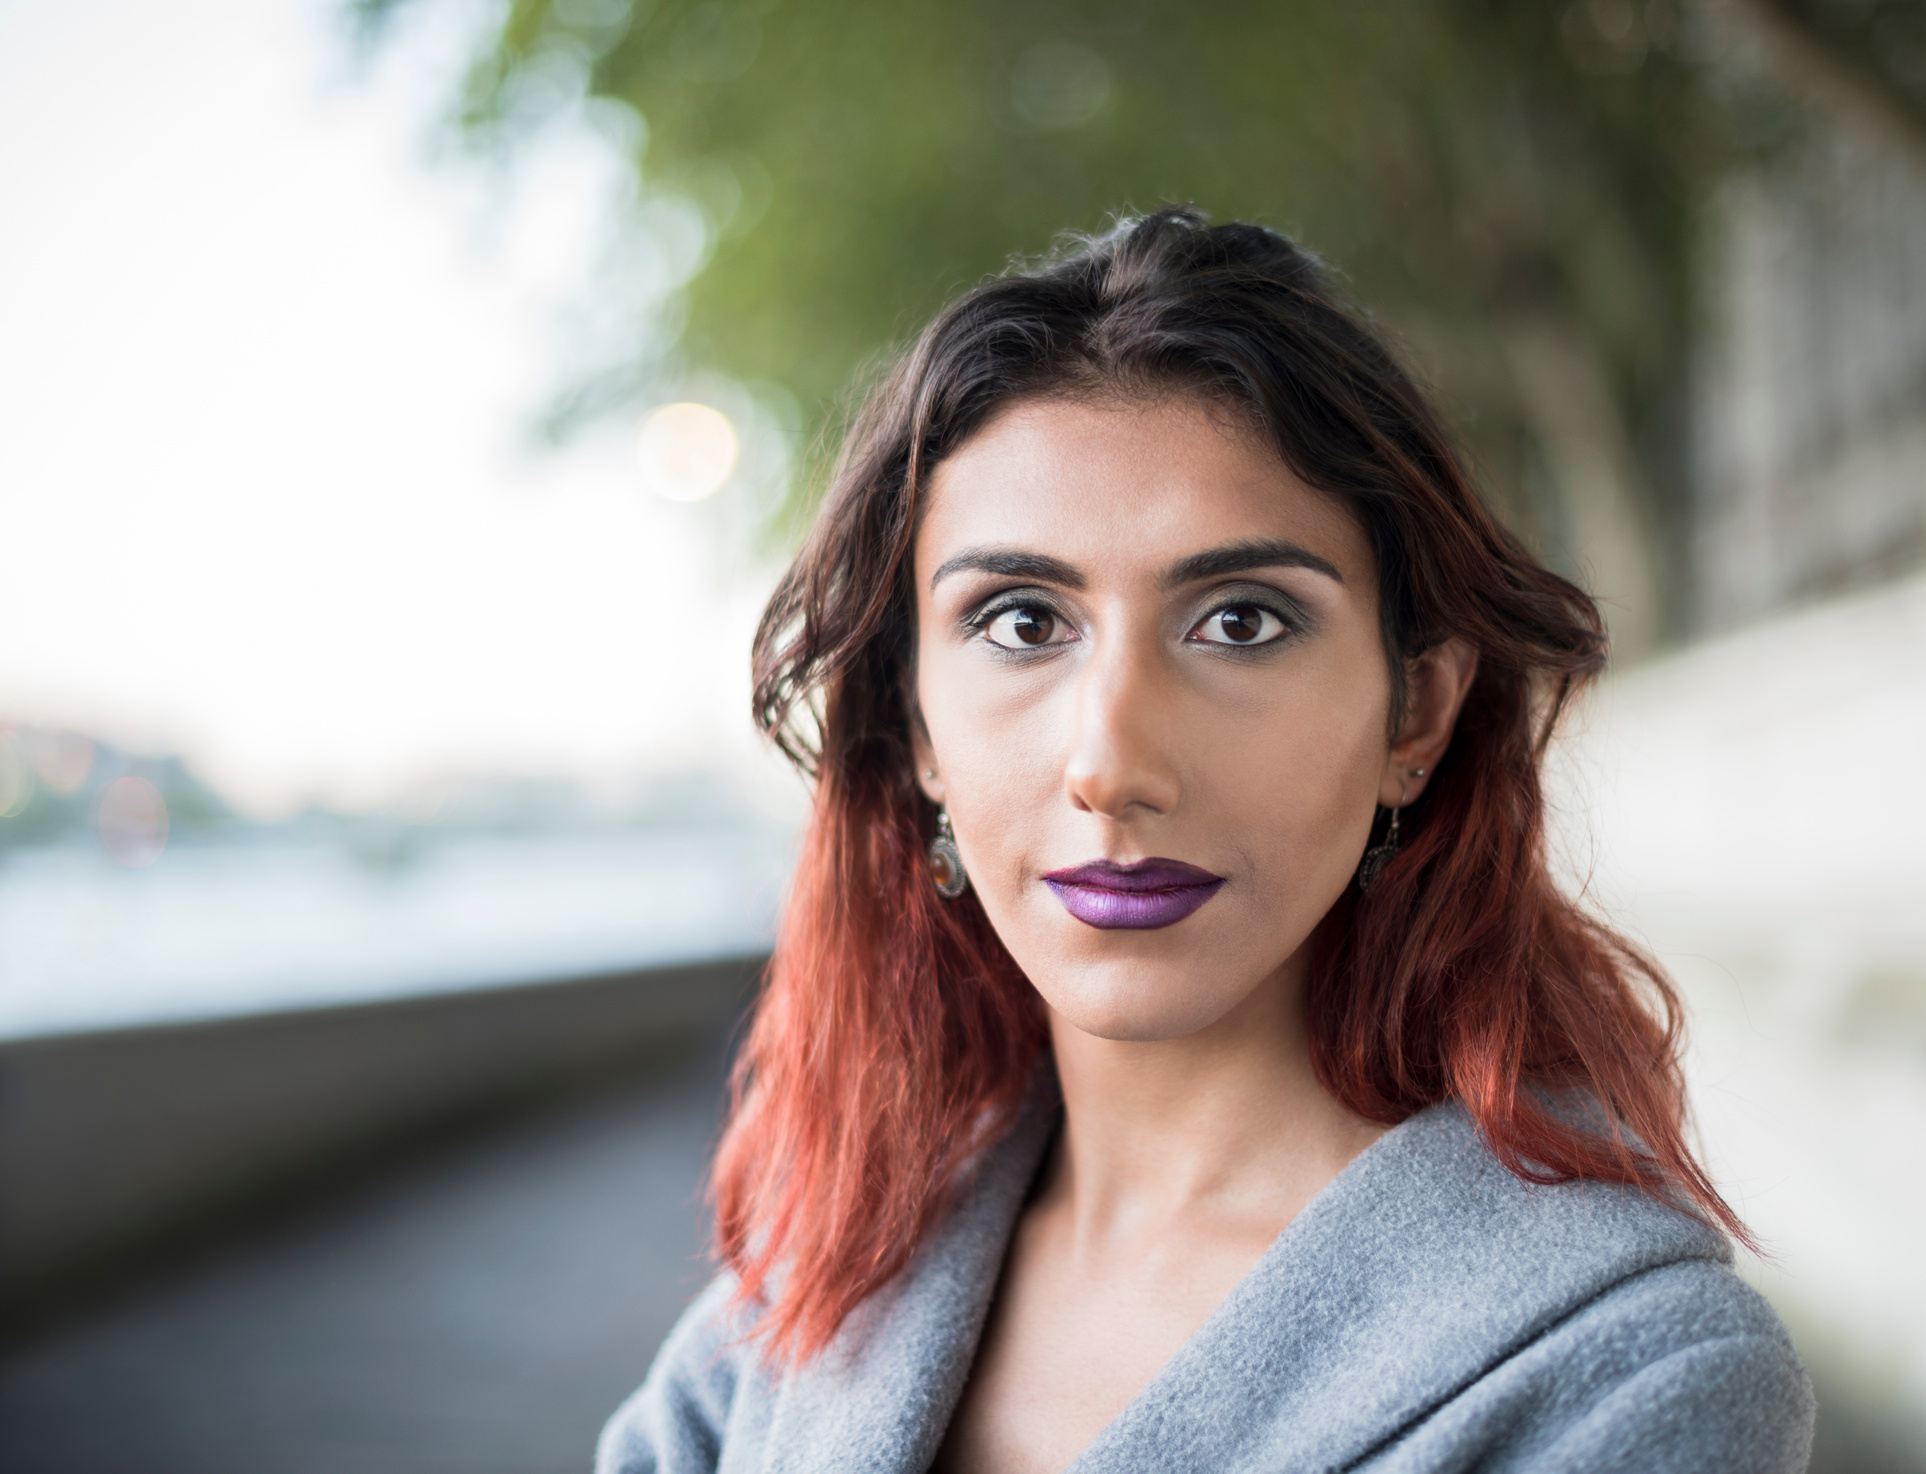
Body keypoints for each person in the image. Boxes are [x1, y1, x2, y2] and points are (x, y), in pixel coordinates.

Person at [601, 207, 1815, 1473]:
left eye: (1240, 622)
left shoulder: (1629, 1375)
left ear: (1417, 711)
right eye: (1022, 623)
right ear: (915, 727)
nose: (1114, 765)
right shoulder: (804, 1296)